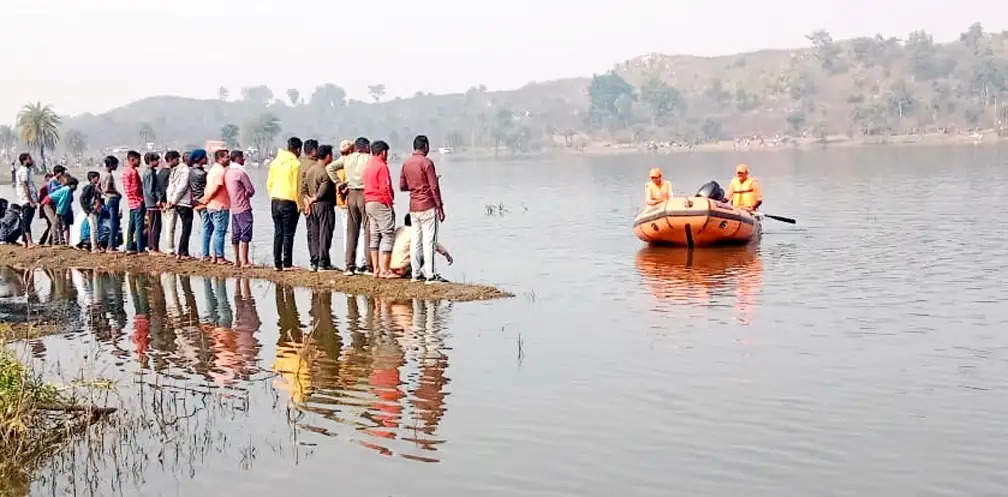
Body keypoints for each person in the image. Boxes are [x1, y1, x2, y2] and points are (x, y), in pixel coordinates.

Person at [399, 135, 447, 283]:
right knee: (429, 241)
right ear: (425, 146)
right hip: (427, 206)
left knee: (416, 241)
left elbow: (402, 186)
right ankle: (430, 275)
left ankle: (415, 274)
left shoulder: (406, 164)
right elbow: (433, 187)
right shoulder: (427, 163)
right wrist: (440, 206)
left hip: (413, 207)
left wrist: (415, 186)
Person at [326, 137, 373, 275]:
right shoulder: (369, 159)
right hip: (365, 194)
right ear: (365, 147)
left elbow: (330, 168)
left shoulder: (347, 159)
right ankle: (369, 266)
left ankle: (349, 266)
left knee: (351, 232)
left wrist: (339, 182)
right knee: (368, 230)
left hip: (351, 195)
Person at [266, 137, 303, 271]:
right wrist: (300, 205)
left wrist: (274, 195)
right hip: (289, 201)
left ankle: (277, 263)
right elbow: (297, 187)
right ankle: (287, 263)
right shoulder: (296, 164)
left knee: (278, 232)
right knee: (288, 234)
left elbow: (269, 183)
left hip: (275, 200)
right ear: (298, 149)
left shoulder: (275, 162)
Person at [363, 140, 396, 278]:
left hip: (368, 202)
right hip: (380, 202)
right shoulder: (382, 166)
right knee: (388, 234)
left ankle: (376, 269)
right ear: (383, 152)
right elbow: (385, 187)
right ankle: (385, 270)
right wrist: (389, 203)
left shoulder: (368, 166)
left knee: (375, 236)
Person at [302, 143, 337, 271]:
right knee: (325, 233)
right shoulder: (326, 173)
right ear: (328, 156)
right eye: (331, 155)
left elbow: (304, 189)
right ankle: (323, 262)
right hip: (324, 206)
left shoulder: (310, 170)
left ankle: (314, 261)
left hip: (312, 207)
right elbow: (322, 193)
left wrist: (307, 202)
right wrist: (313, 199)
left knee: (313, 234)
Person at [198, 149, 232, 264]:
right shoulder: (220, 171)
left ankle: (211, 256)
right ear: (220, 159)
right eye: (227, 157)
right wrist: (207, 198)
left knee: (212, 230)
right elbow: (216, 187)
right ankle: (219, 256)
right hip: (219, 205)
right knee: (220, 231)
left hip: (211, 205)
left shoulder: (212, 170)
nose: (229, 159)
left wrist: (206, 200)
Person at [224, 149, 255, 268]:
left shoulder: (228, 173)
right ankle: (245, 261)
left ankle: (236, 260)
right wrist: (247, 194)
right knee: (245, 233)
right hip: (243, 207)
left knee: (235, 234)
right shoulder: (241, 173)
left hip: (234, 207)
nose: (244, 160)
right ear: (237, 158)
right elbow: (251, 190)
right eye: (242, 157)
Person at [165, 150, 195, 261]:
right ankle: (182, 252)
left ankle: (182, 252)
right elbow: (181, 187)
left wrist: (171, 201)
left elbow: (171, 187)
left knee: (185, 228)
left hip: (177, 202)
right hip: (184, 202)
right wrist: (172, 201)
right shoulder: (184, 170)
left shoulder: (176, 170)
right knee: (186, 228)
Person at [122, 150, 146, 254]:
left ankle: (129, 247)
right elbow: (136, 188)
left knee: (131, 226)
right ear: (132, 160)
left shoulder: (125, 172)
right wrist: (141, 197)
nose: (140, 162)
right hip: (137, 201)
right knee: (139, 226)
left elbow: (127, 189)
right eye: (138, 160)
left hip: (131, 203)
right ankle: (140, 249)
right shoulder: (133, 172)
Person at [14, 153, 39, 248]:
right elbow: (25, 187)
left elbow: (31, 186)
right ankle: (29, 242)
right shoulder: (23, 171)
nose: (31, 160)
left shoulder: (28, 170)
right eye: (30, 159)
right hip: (26, 200)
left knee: (27, 220)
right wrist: (31, 201)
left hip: (29, 199)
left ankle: (25, 241)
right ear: (24, 160)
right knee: (26, 221)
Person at [99, 155, 122, 251]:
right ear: (112, 165)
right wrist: (117, 193)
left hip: (107, 199)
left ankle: (110, 244)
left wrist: (104, 194)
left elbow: (98, 187)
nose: (117, 166)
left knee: (113, 222)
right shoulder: (109, 175)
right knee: (114, 223)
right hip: (112, 199)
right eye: (116, 164)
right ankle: (110, 245)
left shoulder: (102, 174)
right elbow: (108, 188)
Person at [141, 152, 163, 254]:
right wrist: (157, 200)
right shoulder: (150, 173)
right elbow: (150, 190)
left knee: (153, 225)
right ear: (150, 161)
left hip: (150, 203)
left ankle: (153, 246)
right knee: (154, 225)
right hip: (152, 203)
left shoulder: (149, 172)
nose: (158, 162)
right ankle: (153, 247)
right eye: (156, 160)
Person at [188, 149, 209, 256]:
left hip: (196, 200)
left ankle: (206, 252)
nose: (207, 158)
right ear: (200, 159)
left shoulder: (190, 171)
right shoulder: (202, 174)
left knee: (206, 225)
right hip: (203, 202)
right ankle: (205, 253)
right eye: (205, 157)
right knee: (207, 226)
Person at [159, 151, 180, 255]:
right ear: (171, 160)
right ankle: (170, 249)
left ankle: (169, 247)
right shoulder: (169, 173)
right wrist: (164, 201)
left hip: (165, 202)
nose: (178, 161)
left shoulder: (161, 172)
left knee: (169, 225)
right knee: (170, 226)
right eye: (177, 159)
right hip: (169, 202)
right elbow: (165, 189)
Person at [47, 177, 78, 244]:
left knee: (58, 223)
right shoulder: (67, 190)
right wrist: (60, 213)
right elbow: (63, 202)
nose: (76, 187)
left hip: (53, 204)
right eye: (75, 185)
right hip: (49, 203)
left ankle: (61, 240)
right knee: (55, 223)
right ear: (72, 185)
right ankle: (55, 240)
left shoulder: (67, 190)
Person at [79, 171, 102, 252]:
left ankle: (96, 246)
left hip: (94, 210)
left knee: (95, 228)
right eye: (97, 178)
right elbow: (82, 198)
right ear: (92, 179)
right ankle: (94, 247)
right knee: (93, 228)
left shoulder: (95, 188)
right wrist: (87, 210)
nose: (98, 179)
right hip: (91, 211)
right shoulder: (90, 187)